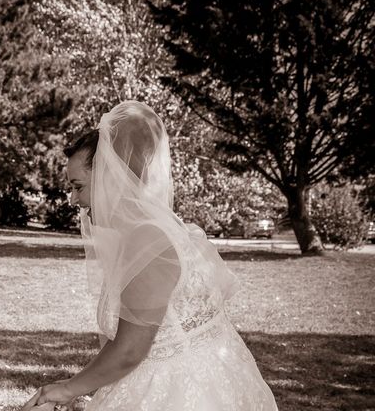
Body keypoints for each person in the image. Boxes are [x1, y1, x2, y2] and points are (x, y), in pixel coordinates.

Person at [24, 101, 278, 410]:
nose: (73, 199)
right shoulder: (144, 233)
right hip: (156, 381)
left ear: (110, 177)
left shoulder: (147, 239)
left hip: (183, 393)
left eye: (78, 187)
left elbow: (131, 349)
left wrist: (65, 390)